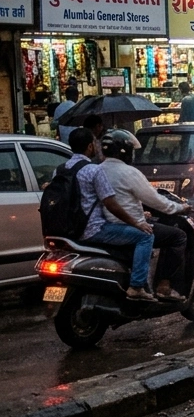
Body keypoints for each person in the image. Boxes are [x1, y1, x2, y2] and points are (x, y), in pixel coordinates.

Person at [63, 128, 159, 302]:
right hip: (93, 230)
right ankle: (137, 286)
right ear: (90, 146)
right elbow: (111, 204)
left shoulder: (61, 169)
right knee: (145, 236)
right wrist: (137, 223)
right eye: (95, 143)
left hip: (69, 230)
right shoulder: (93, 170)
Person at [98, 130, 189, 300]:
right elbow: (154, 199)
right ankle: (162, 286)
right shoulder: (128, 172)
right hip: (126, 226)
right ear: (125, 151)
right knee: (178, 236)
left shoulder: (97, 170)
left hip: (108, 225)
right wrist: (179, 208)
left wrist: (142, 213)